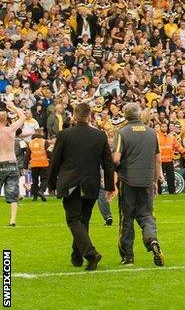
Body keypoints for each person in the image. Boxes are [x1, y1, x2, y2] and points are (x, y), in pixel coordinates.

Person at [48, 103, 114, 271]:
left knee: (73, 219)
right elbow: (108, 163)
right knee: (82, 220)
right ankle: (77, 256)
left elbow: (55, 160)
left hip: (71, 183)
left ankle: (90, 253)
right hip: (91, 184)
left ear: (75, 115)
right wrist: (110, 186)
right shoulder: (100, 136)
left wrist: (51, 183)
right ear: (90, 115)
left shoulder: (65, 135)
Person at [111, 103, 165, 267]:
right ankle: (152, 240)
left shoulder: (121, 133)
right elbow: (157, 158)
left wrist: (112, 170)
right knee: (147, 215)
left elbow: (116, 158)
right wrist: (157, 177)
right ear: (139, 115)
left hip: (128, 181)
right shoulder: (152, 133)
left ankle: (128, 256)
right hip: (147, 180)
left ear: (125, 116)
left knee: (126, 218)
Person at [0, 102, 26, 227]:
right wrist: (13, 107)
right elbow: (23, 117)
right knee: (13, 194)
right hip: (11, 163)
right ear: (6, 120)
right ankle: (12, 220)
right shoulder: (10, 130)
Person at [157, 122, 185, 195]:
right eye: (163, 126)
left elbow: (178, 146)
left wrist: (184, 153)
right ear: (160, 127)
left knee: (171, 177)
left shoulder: (171, 137)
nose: (164, 128)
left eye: (165, 126)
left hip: (169, 160)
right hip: (159, 161)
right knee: (158, 177)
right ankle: (158, 192)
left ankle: (172, 191)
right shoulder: (156, 136)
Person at [26, 129, 49, 202]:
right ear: (42, 133)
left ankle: (35, 197)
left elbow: (28, 155)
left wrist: (25, 165)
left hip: (34, 164)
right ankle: (41, 191)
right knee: (44, 179)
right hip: (44, 163)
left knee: (35, 180)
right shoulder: (45, 142)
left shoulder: (30, 142)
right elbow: (49, 152)